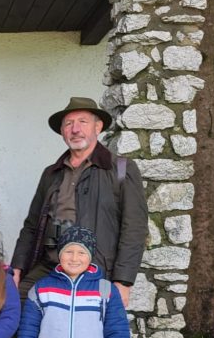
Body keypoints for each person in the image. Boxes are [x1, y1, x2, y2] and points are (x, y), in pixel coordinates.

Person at [11, 97, 147, 307]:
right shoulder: (51, 173)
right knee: (18, 306)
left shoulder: (121, 169)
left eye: (83, 122)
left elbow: (134, 228)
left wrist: (123, 281)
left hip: (98, 270)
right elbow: (31, 224)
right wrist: (17, 268)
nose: (75, 129)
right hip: (51, 265)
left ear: (98, 126)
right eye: (68, 124)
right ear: (62, 132)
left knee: (95, 325)